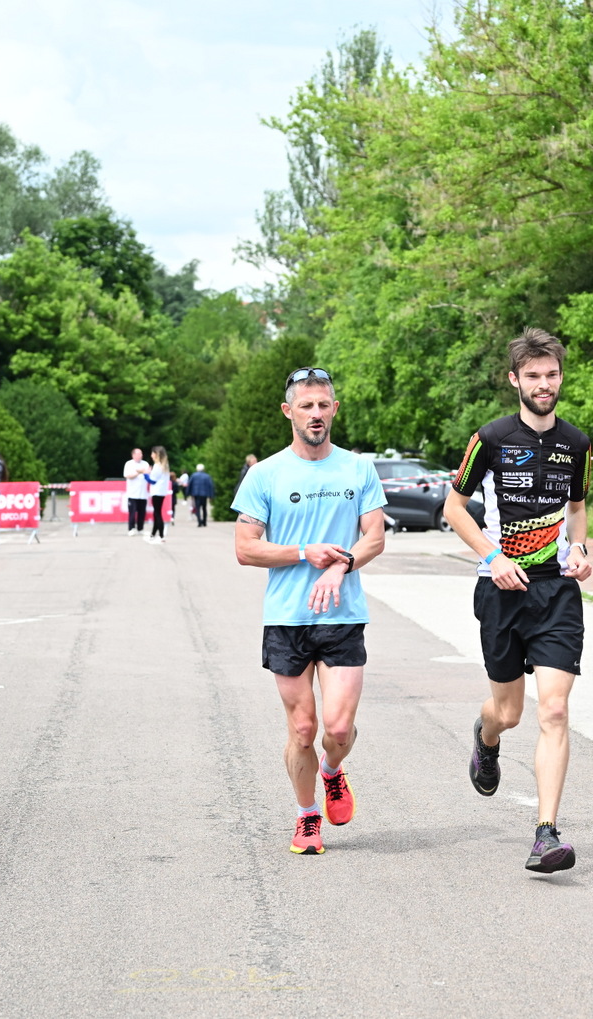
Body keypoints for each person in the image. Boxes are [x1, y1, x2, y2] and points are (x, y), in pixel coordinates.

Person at [445, 327, 593, 874]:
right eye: (533, 375)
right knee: (507, 712)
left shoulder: (577, 443)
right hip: (501, 591)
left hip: (555, 592)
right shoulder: (490, 438)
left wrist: (580, 548)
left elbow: (577, 510)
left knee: (553, 709)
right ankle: (486, 739)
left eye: (551, 374)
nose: (544, 384)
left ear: (560, 376)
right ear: (515, 380)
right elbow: (454, 508)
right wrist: (493, 557)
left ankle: (545, 834)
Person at [233, 366, 386, 856]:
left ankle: (332, 770)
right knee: (302, 729)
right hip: (287, 618)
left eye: (323, 405)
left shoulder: (358, 469)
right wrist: (304, 553)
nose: (316, 414)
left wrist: (340, 564)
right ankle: (306, 816)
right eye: (306, 406)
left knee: (337, 729)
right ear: (289, 412)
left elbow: (374, 537)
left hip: (343, 614)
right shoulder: (265, 474)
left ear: (334, 410)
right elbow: (245, 548)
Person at [146, 446, 172, 541]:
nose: (151, 455)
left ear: (156, 454)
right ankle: (153, 534)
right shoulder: (165, 465)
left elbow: (152, 480)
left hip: (156, 491)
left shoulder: (157, 466)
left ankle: (161, 535)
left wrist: (146, 473)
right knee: (156, 513)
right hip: (162, 491)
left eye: (152, 453)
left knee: (157, 513)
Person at [123, 447, 149, 536]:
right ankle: (131, 528)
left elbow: (148, 474)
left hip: (143, 493)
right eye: (138, 454)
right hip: (132, 493)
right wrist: (138, 472)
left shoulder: (145, 463)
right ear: (133, 455)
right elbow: (127, 475)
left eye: (141, 454)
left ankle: (140, 528)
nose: (140, 455)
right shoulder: (129, 464)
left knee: (142, 512)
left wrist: (145, 472)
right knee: (132, 512)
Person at [189, 463, 216, 527]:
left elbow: (190, 485)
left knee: (197, 508)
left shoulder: (193, 475)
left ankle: (199, 522)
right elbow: (210, 486)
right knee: (204, 508)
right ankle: (204, 522)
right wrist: (211, 496)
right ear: (203, 469)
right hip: (204, 495)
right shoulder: (207, 476)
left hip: (196, 494)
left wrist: (189, 494)